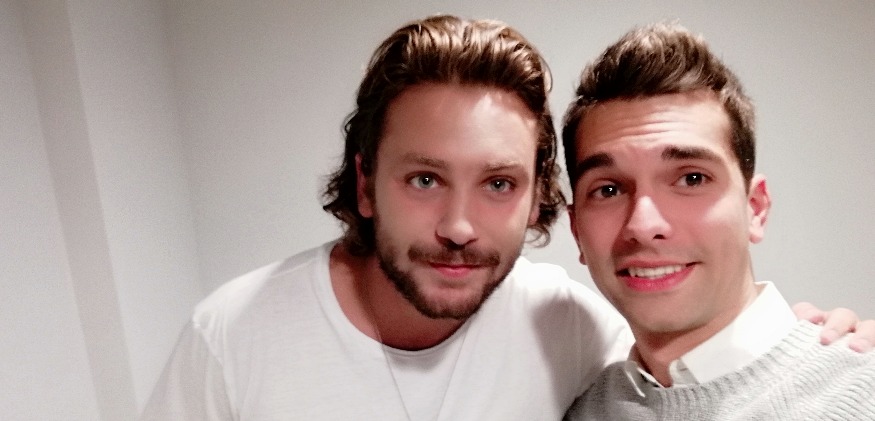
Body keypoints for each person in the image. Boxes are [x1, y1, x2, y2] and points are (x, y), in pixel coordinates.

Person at [141, 15, 870, 421]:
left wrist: (830, 345)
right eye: (425, 178)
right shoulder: (230, 337)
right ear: (365, 184)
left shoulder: (565, 326)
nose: (458, 225)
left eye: (497, 183)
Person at [562, 23, 875, 420]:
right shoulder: (574, 407)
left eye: (692, 179)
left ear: (755, 208)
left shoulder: (861, 393)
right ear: (576, 231)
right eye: (608, 190)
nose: (643, 225)